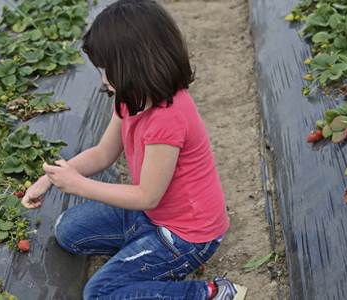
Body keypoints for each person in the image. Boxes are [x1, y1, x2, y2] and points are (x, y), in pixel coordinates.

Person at [21, 0, 247, 299]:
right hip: (152, 216)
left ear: (136, 62)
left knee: (100, 293)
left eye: (107, 69)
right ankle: (143, 252)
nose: (103, 79)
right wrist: (52, 177)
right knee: (68, 230)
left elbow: (147, 196)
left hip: (188, 235)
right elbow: (103, 153)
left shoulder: (168, 118)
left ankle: (209, 292)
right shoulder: (132, 98)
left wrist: (79, 185)